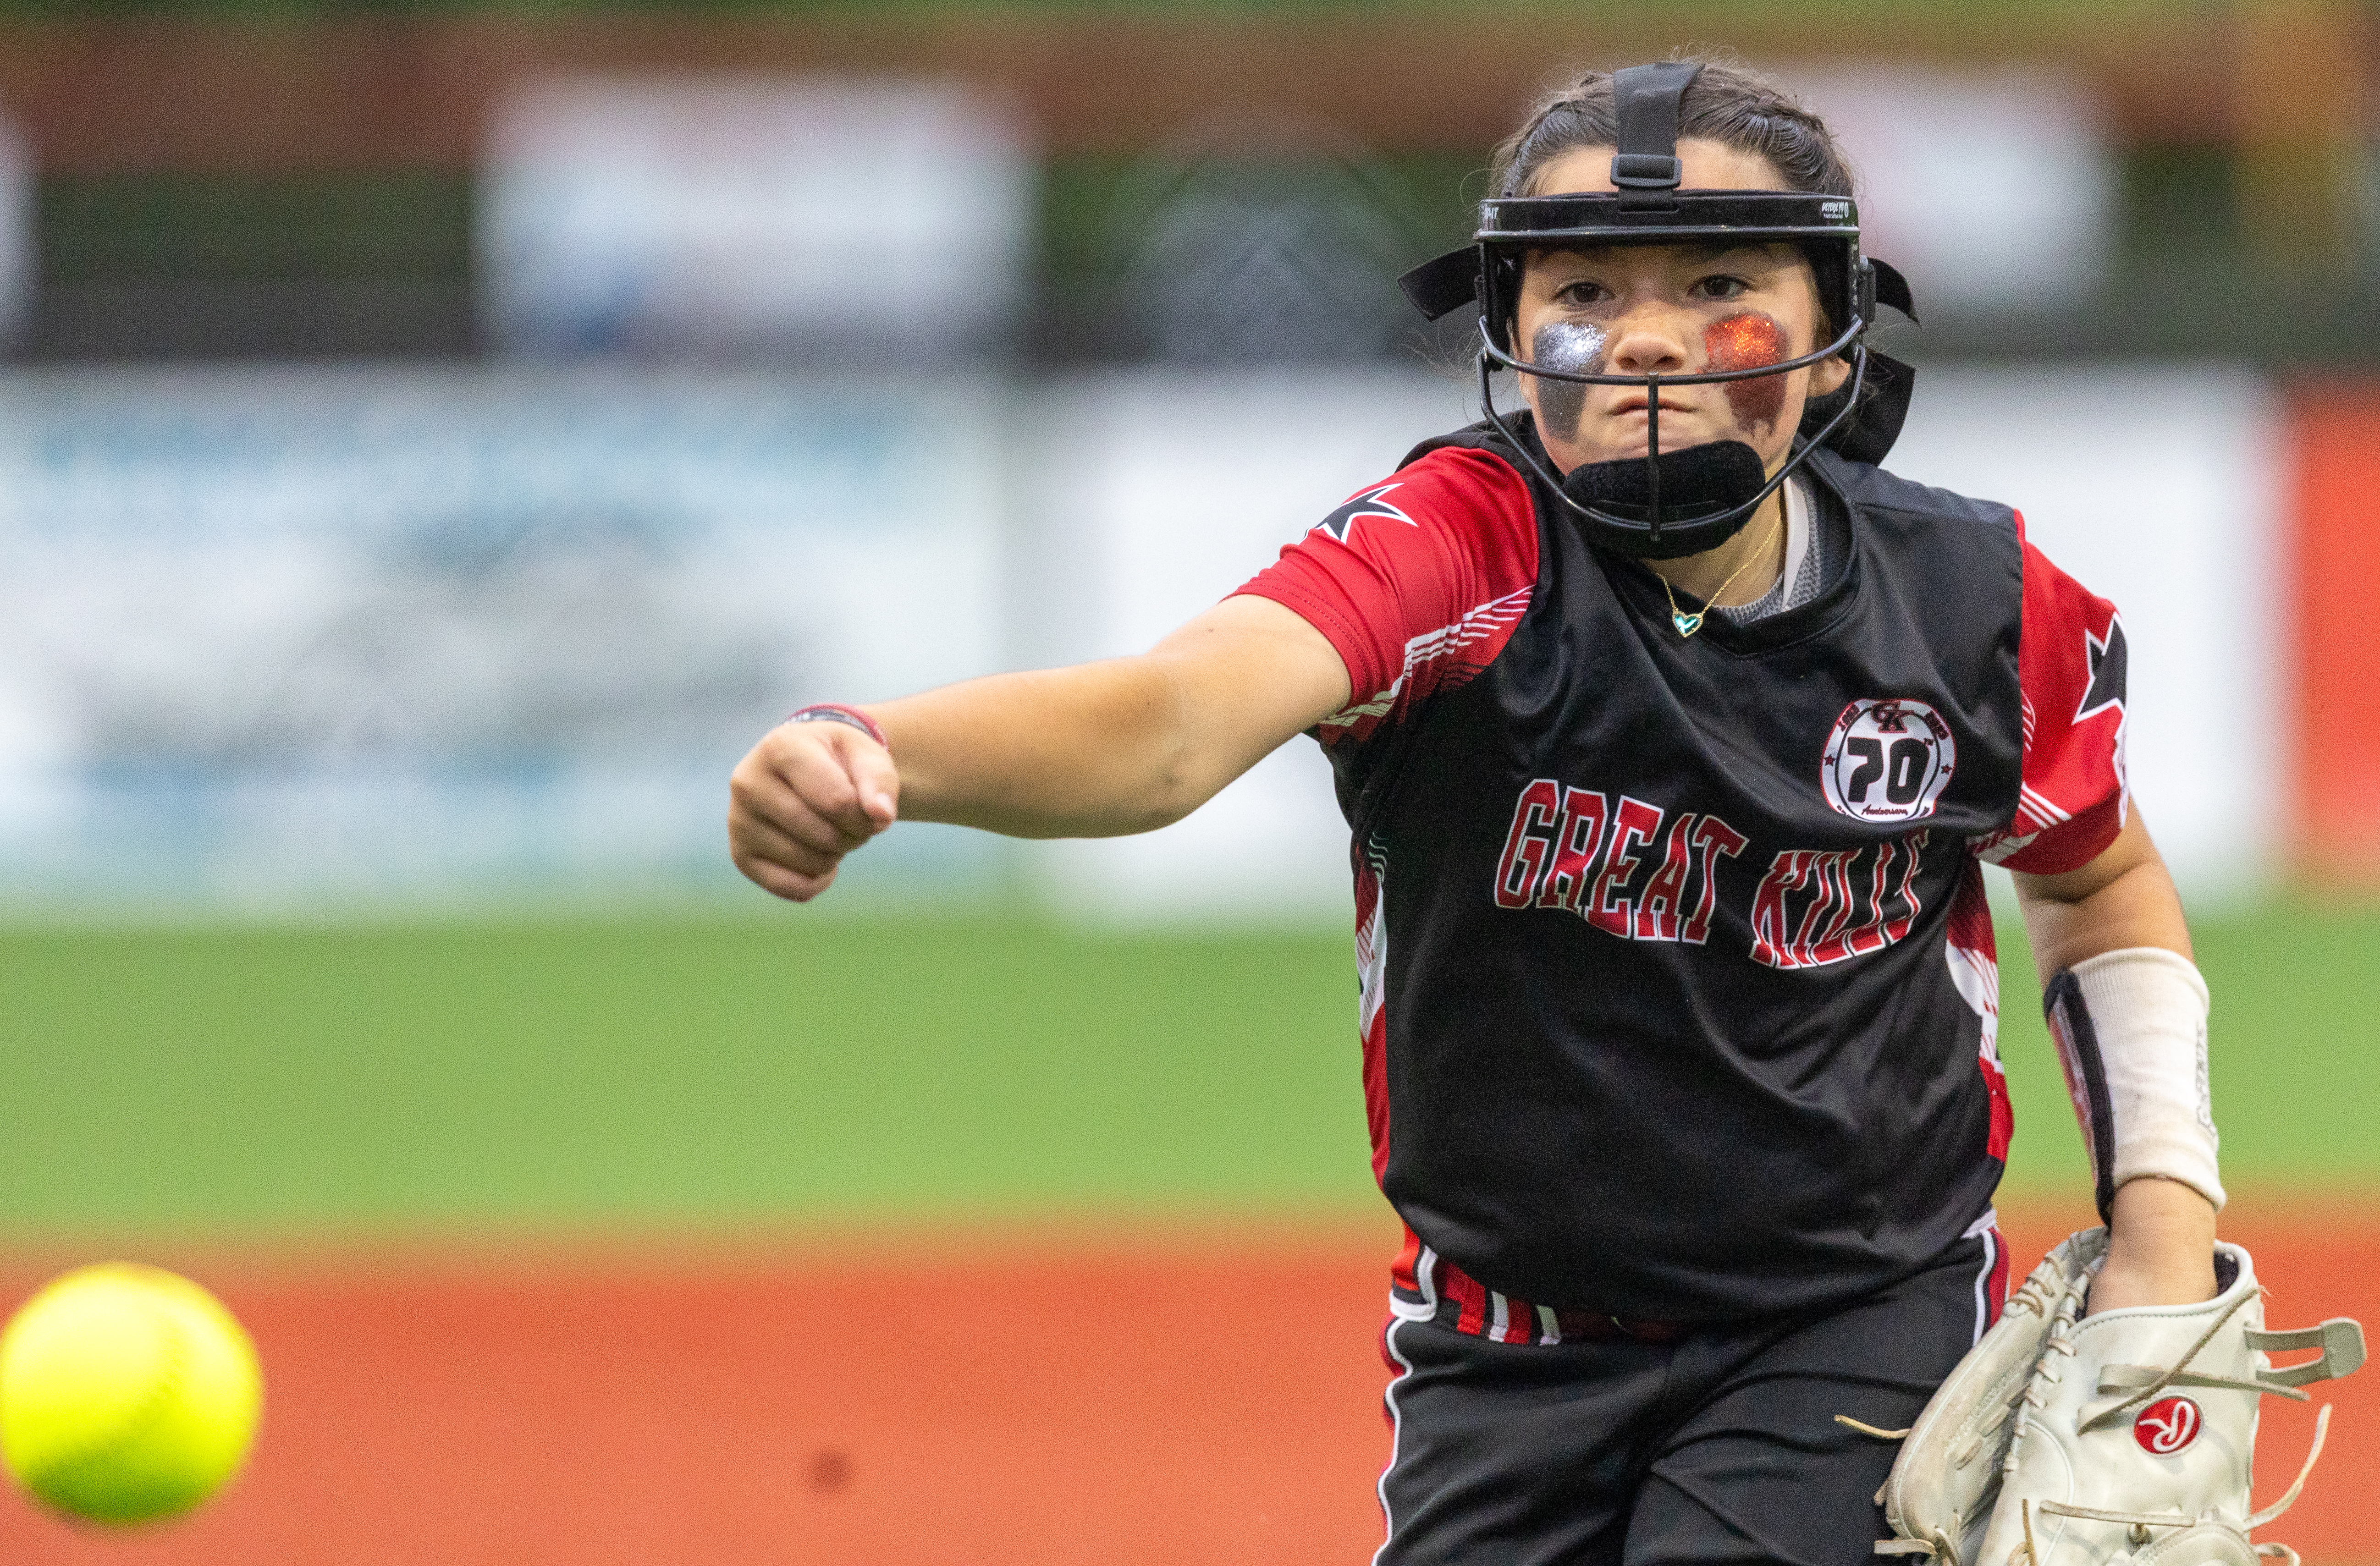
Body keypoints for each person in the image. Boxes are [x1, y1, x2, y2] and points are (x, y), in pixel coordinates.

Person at [727, 59, 2226, 1566]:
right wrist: (880, 744)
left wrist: (2162, 1229)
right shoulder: (1464, 547)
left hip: (1856, 1302)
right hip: (1507, 1335)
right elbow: (1177, 723)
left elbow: (2096, 884)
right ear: (1509, 330)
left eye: (1720, 281)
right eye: (1584, 287)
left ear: (1835, 334)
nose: (1647, 336)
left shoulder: (1972, 605)